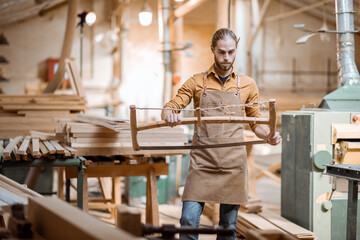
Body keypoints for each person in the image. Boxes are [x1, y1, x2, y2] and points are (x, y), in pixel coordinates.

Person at [161, 28, 281, 240]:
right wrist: (170, 114)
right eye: (221, 52)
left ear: (236, 50)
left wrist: (268, 135)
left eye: (231, 52)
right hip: (202, 162)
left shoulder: (247, 84)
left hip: (233, 163)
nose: (226, 58)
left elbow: (255, 122)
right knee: (188, 221)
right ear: (212, 50)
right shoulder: (197, 82)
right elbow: (170, 107)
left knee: (228, 227)